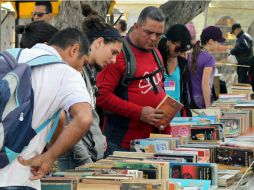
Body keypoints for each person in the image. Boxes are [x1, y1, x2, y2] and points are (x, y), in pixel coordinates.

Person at [0, 28, 93, 190]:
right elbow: (84, 118)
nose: (81, 69)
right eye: (83, 62)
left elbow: (61, 119)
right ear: (74, 49)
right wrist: (49, 157)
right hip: (18, 177)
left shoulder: (8, 55)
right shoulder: (67, 74)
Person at [96, 6, 166, 155]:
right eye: (148, 32)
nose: (153, 38)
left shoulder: (156, 53)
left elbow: (158, 87)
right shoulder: (118, 54)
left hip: (153, 144)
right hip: (121, 145)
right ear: (136, 27)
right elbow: (101, 95)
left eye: (158, 34)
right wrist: (139, 112)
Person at [57, 15, 123, 169]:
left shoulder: (88, 71)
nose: (113, 60)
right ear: (99, 42)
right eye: (113, 52)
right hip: (77, 163)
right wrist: (86, 162)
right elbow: (68, 123)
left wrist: (99, 138)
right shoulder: (76, 71)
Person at [158, 24, 192, 117]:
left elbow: (184, 93)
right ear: (169, 40)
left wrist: (188, 116)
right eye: (177, 48)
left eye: (182, 49)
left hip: (178, 116)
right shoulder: (156, 60)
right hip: (159, 114)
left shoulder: (182, 64)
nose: (179, 52)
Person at [188, 26, 225, 109]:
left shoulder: (191, 54)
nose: (219, 45)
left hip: (190, 101)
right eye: (218, 42)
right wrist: (208, 107)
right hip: (202, 102)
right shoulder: (209, 58)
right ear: (211, 41)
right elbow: (205, 84)